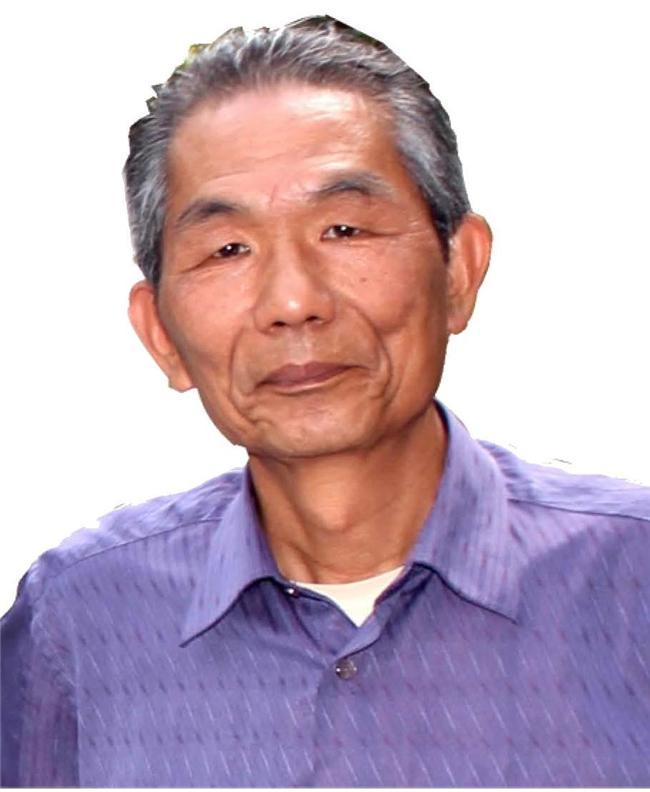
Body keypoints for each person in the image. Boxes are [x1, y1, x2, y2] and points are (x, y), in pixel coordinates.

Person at [1, 15, 649, 787]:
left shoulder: (631, 586)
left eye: (343, 229)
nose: (293, 302)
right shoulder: (80, 620)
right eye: (228, 250)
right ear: (160, 333)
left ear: (459, 272)